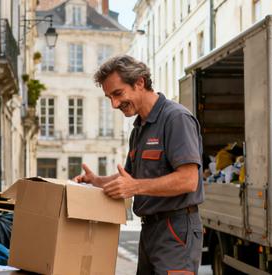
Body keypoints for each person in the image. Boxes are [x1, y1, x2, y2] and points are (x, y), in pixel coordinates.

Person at [73, 55, 204, 274]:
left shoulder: (175, 118)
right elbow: (129, 177)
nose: (114, 104)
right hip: (150, 230)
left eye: (118, 93)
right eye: (109, 98)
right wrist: (96, 181)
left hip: (175, 230)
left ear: (140, 83)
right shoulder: (139, 129)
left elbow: (189, 180)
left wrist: (135, 188)